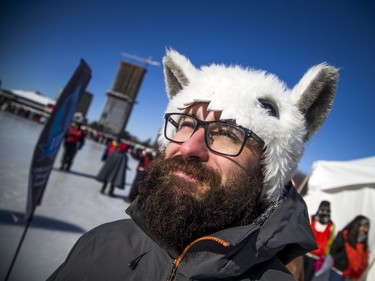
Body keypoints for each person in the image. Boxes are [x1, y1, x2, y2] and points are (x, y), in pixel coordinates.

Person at [47, 49, 338, 280]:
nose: (188, 147)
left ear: (268, 172)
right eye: (185, 123)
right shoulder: (100, 244)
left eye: (227, 133)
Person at [329, 215, 370, 281]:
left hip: (352, 277)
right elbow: (333, 250)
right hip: (338, 273)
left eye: (367, 228)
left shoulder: (363, 242)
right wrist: (342, 262)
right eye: (363, 227)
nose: (365, 230)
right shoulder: (344, 236)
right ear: (357, 225)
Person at [304, 200, 335, 281]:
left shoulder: (331, 226)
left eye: (327, 211)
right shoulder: (311, 219)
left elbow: (330, 242)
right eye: (323, 210)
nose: (325, 212)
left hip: (316, 258)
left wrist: (324, 256)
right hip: (304, 253)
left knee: (307, 278)